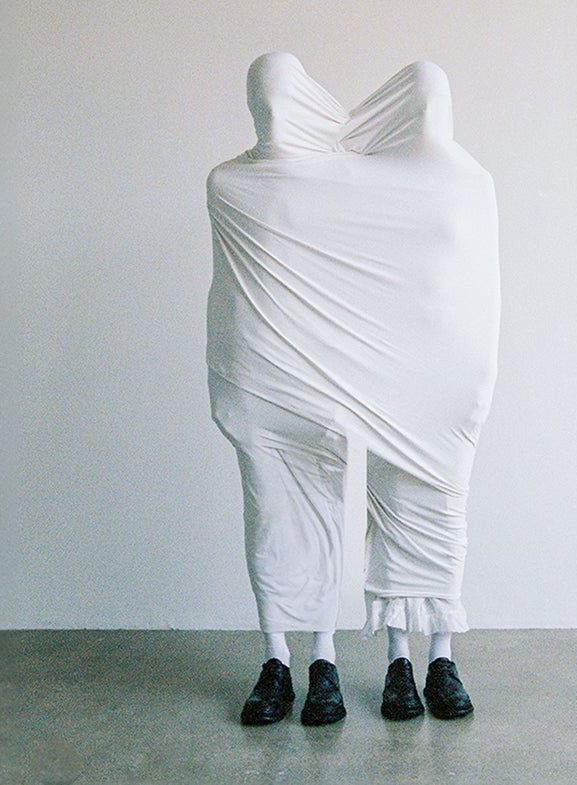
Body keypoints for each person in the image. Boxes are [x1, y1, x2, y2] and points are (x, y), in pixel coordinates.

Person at [206, 53, 499, 726]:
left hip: (435, 374)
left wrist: (476, 374)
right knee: (279, 517)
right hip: (274, 371)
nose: (275, 112)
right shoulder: (233, 183)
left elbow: (485, 288)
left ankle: (428, 656)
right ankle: (297, 659)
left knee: (430, 510)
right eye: (265, 99)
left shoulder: (463, 183)